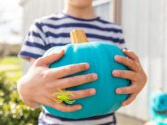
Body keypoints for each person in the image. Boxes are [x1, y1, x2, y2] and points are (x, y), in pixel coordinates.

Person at [17, 0, 147, 124]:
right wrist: (26, 89)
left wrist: (138, 81)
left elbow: (121, 77)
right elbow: (36, 92)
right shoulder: (43, 27)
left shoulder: (113, 31)